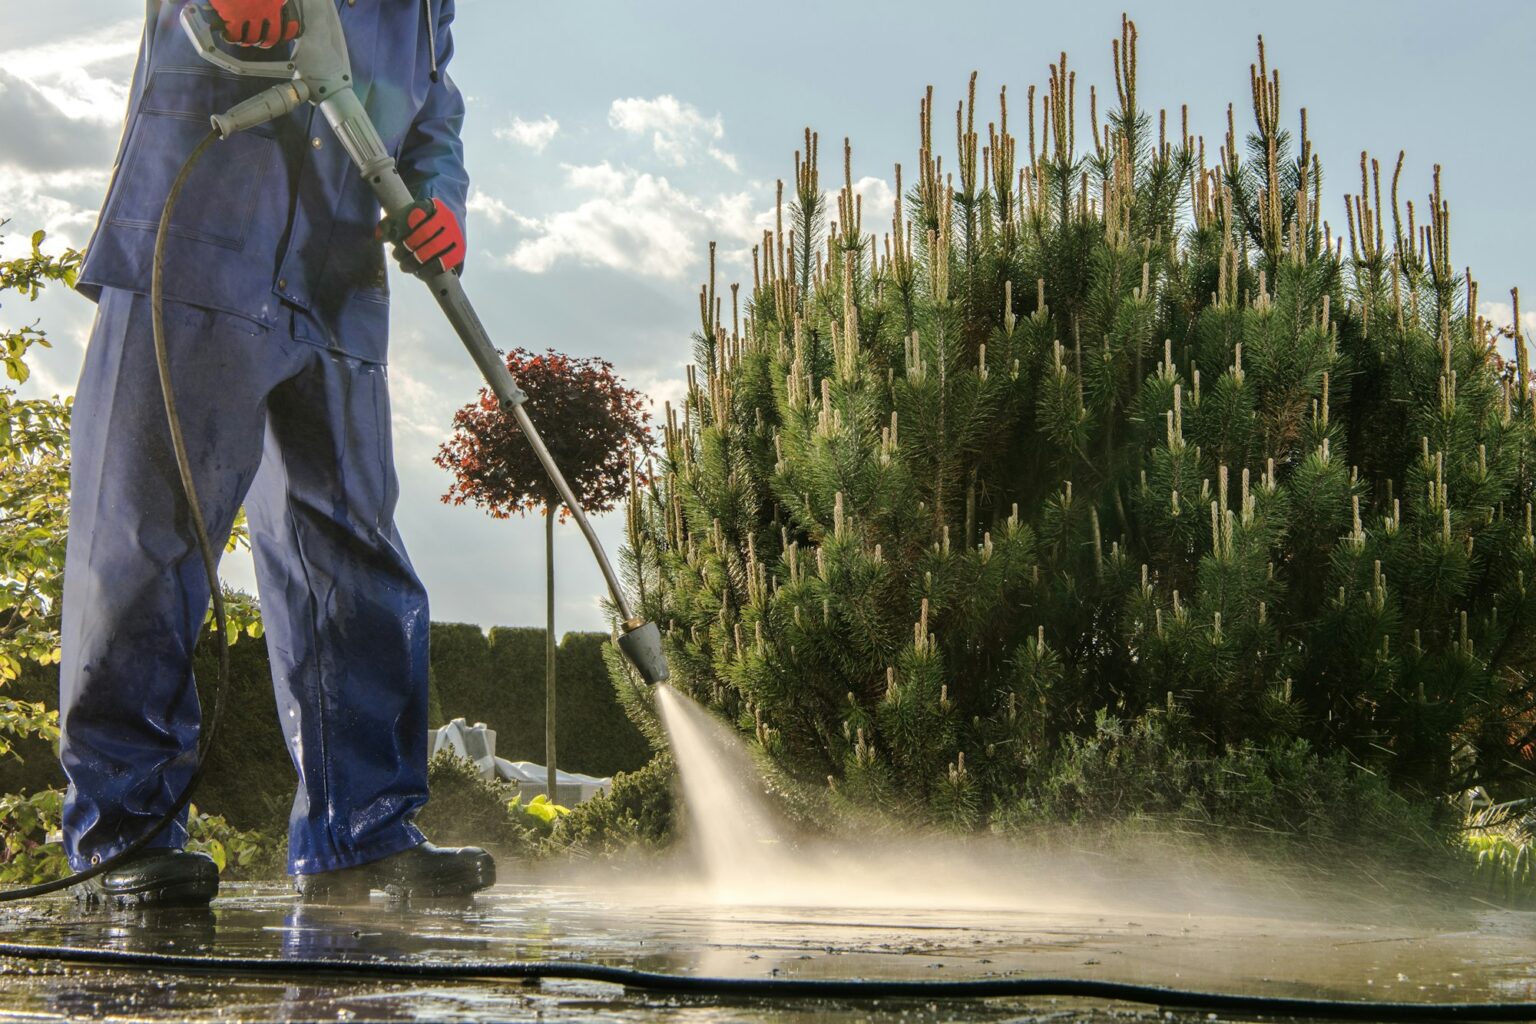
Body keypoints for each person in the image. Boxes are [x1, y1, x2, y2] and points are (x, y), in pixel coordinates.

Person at [58, 0, 493, 907]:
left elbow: (433, 98)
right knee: (147, 535)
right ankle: (120, 841)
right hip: (201, 236)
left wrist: (440, 196)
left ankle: (363, 832)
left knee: (353, 552)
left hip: (337, 277)